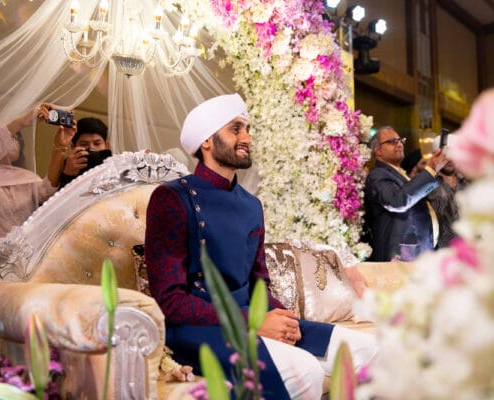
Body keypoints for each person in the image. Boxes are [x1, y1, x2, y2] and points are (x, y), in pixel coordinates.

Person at [145, 94, 378, 399]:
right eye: (235, 129)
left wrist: (284, 317)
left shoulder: (251, 205)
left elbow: (259, 283)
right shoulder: (172, 198)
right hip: (197, 328)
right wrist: (253, 322)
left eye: (248, 129)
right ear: (206, 142)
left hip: (250, 317)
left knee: (369, 349)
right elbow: (170, 300)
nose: (246, 138)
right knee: (304, 370)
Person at [0, 103, 74, 262]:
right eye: (8, 135)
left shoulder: (26, 177)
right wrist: (21, 122)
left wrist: (60, 147)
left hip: (21, 261)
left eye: (16, 137)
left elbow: (46, 192)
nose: (12, 140)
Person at [364, 126, 447, 262]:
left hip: (419, 252)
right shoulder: (377, 174)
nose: (399, 144)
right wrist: (431, 169)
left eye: (400, 140)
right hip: (400, 256)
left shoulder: (400, 173)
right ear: (378, 151)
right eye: (392, 142)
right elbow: (397, 201)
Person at [427, 134, 467, 248]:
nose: (449, 159)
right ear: (436, 156)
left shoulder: (466, 183)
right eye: (445, 155)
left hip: (468, 249)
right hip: (439, 251)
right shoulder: (427, 184)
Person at [57, 117, 111, 189]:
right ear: (73, 147)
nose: (91, 148)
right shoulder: (66, 165)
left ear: (106, 145)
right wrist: (68, 174)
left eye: (97, 144)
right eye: (84, 144)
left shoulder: (113, 163)